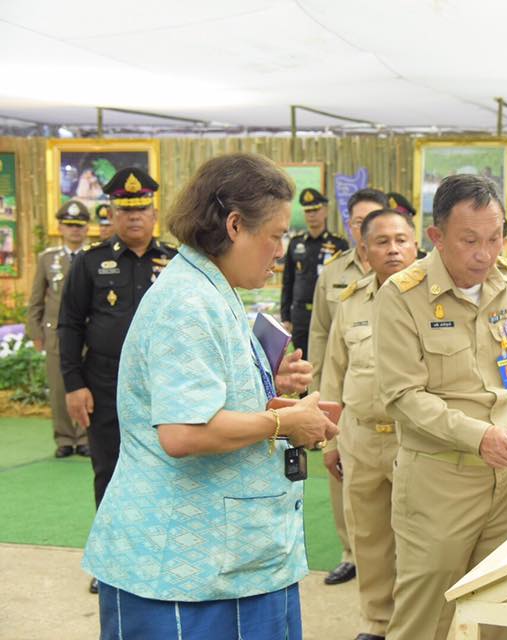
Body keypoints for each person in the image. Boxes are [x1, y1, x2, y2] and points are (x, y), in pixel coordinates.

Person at [81, 152, 338, 640]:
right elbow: (184, 431)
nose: (280, 251)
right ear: (236, 226)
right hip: (185, 571)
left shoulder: (207, 288)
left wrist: (268, 383)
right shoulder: (188, 302)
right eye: (276, 235)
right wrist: (287, 423)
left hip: (222, 560)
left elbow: (207, 395)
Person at [374, 174, 507, 640]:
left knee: (501, 610)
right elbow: (403, 396)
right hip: (439, 483)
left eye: (495, 239)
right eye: (470, 241)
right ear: (435, 238)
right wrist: (480, 436)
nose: (485, 254)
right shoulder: (402, 294)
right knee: (424, 617)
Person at [59, 168, 178, 596]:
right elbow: (69, 325)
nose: (133, 219)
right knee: (108, 470)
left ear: (153, 212)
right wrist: (74, 384)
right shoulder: (90, 262)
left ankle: (158, 553)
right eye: (124, 211)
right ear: (110, 213)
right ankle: (111, 560)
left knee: (167, 467)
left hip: (163, 383)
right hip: (104, 381)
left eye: (141, 210)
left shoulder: (175, 261)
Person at [319, 208, 419, 640]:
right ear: (364, 250)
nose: (393, 249)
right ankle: (377, 622)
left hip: (414, 439)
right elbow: (333, 373)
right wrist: (330, 438)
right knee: (370, 539)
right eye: (382, 241)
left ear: (416, 245)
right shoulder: (352, 301)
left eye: (401, 240)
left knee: (418, 540)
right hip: (361, 437)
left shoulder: (433, 296)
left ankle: (415, 624)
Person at [308, 187, 388, 586]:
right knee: (345, 482)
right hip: (347, 395)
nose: (364, 228)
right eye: (358, 221)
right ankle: (349, 552)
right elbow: (322, 334)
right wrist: (319, 391)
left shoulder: (413, 270)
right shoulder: (335, 272)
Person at [26, 200, 91, 458]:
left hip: (87, 335)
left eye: (79, 226)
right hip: (55, 335)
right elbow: (35, 300)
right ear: (61, 228)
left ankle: (85, 437)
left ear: (87, 228)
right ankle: (64, 438)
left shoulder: (93, 257)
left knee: (87, 385)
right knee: (59, 387)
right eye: (69, 225)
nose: (75, 231)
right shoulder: (47, 259)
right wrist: (36, 333)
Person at [280, 188, 349, 357]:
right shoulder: (296, 243)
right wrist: (286, 316)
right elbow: (288, 281)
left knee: (328, 360)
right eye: (308, 211)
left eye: (316, 210)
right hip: (301, 315)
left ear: (325, 211)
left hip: (328, 312)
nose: (311, 215)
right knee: (302, 359)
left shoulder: (338, 244)